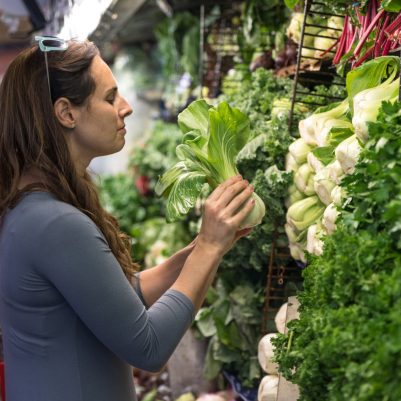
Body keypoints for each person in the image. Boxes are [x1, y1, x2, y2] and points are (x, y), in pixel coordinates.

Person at [0, 38, 255, 401]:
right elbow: (148, 348)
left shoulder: (33, 207)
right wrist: (209, 250)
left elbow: (118, 300)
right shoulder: (55, 223)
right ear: (66, 113)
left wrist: (201, 246)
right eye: (110, 98)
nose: (127, 107)